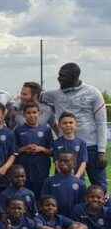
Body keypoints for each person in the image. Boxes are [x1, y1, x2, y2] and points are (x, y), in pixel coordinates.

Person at [41, 63, 107, 191]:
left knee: (99, 187)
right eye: (59, 75)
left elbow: (101, 122)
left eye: (63, 76)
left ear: (74, 76)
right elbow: (34, 95)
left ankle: (102, 211)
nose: (59, 79)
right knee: (63, 185)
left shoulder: (93, 93)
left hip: (91, 147)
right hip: (66, 149)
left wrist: (101, 151)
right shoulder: (54, 94)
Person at [14, 102, 53, 195]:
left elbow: (52, 151)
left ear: (39, 113)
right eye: (29, 113)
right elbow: (14, 151)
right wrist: (24, 149)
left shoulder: (46, 130)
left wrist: (41, 149)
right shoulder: (18, 130)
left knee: (41, 195)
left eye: (34, 112)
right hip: (24, 171)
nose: (32, 115)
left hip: (41, 169)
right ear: (24, 114)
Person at [42, 152, 86, 217]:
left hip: (74, 218)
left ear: (74, 164)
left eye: (66, 161)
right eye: (60, 161)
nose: (62, 163)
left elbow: (83, 204)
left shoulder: (80, 183)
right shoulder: (49, 181)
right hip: (54, 219)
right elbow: (44, 200)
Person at [52, 112, 88, 179]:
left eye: (71, 122)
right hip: (61, 178)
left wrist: (77, 176)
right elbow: (56, 162)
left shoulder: (81, 143)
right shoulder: (56, 143)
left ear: (75, 125)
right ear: (59, 125)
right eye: (65, 123)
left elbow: (83, 162)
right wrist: (64, 177)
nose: (68, 125)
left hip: (78, 178)